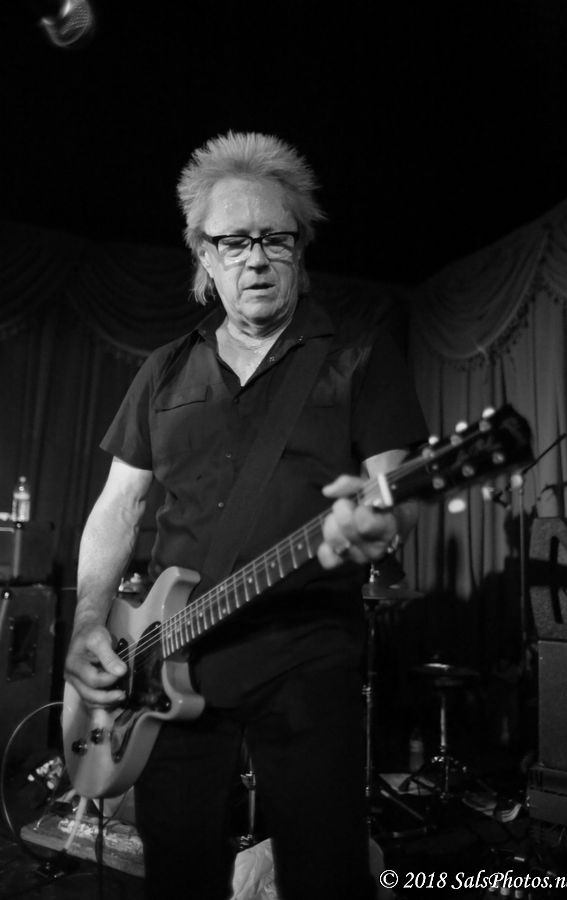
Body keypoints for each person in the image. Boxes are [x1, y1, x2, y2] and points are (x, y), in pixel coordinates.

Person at [64, 131, 428, 900]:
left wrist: (381, 524)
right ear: (205, 255)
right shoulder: (163, 370)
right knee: (177, 874)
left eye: (275, 239)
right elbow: (118, 506)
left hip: (307, 649)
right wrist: (90, 618)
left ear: (300, 248)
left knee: (324, 874)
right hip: (166, 659)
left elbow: (397, 491)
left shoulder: (359, 357)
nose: (256, 259)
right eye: (234, 242)